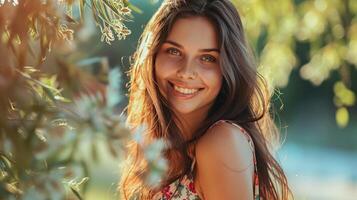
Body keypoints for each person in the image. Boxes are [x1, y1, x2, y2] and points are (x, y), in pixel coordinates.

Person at [119, 0, 292, 199]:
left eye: (207, 58)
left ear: (228, 68)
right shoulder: (159, 146)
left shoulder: (221, 142)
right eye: (174, 51)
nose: (186, 72)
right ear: (153, 56)